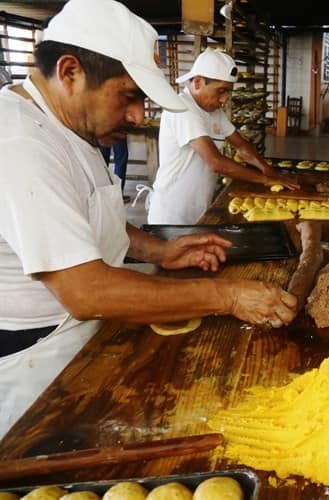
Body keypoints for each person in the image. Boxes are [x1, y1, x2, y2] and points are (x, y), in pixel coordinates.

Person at [0, 0, 296, 438]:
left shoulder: (69, 129)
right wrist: (227, 296)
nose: (139, 117)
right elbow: (85, 291)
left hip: (80, 335)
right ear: (70, 72)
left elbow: (88, 220)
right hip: (39, 352)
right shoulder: (21, 142)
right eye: (129, 97)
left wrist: (160, 249)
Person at [148, 49, 299, 224]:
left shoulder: (213, 111)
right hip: (172, 214)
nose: (225, 99)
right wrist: (264, 180)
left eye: (228, 92)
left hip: (199, 207)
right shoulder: (182, 108)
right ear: (197, 82)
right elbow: (216, 162)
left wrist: (266, 169)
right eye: (221, 91)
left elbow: (240, 145)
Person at [100, 136, 130, 202]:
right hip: (118, 127)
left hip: (102, 128)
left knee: (102, 160)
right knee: (120, 159)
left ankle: (102, 193)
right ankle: (117, 194)